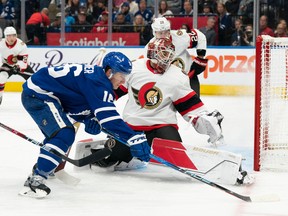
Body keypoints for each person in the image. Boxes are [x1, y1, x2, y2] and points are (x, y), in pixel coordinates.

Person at [89, 38, 252, 185]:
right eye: (162, 56)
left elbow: (190, 108)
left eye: (168, 57)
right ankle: (118, 155)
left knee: (177, 156)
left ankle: (226, 169)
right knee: (112, 157)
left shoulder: (177, 77)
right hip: (132, 128)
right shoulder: (134, 68)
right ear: (152, 54)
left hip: (161, 126)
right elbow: (113, 93)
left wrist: (204, 119)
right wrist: (94, 108)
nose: (165, 61)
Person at [19, 52, 151, 198]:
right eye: (121, 76)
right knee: (64, 134)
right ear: (109, 72)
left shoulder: (95, 77)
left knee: (57, 136)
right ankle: (36, 180)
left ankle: (45, 165)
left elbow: (73, 101)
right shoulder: (99, 82)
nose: (123, 81)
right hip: (39, 94)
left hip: (44, 93)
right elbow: (109, 118)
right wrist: (132, 137)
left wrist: (88, 119)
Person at [145, 17, 208, 96]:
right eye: (160, 33)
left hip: (189, 78)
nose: (164, 36)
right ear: (154, 32)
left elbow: (200, 37)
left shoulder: (179, 37)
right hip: (169, 84)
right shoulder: (150, 48)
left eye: (166, 32)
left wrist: (200, 57)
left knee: (195, 106)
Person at [0, 26, 34, 105]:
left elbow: (24, 60)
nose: (12, 38)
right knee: (1, 78)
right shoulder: (1, 44)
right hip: (6, 65)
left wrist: (19, 67)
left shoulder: (21, 45)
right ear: (5, 36)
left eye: (14, 35)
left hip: (18, 65)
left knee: (33, 80)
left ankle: (36, 97)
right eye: (9, 36)